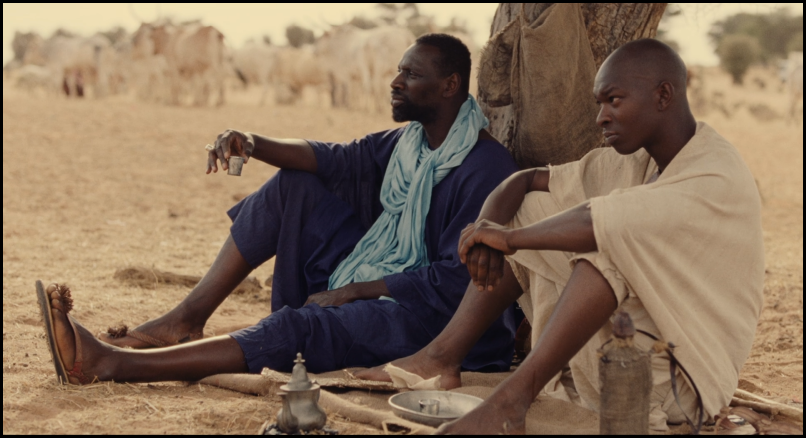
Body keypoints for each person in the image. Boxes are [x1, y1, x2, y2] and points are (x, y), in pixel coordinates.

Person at [36, 34, 520, 386]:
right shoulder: (409, 144)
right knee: (294, 186)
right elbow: (335, 158)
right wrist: (253, 142)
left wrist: (354, 291)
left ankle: (114, 365)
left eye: (411, 75)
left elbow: (456, 283)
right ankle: (185, 319)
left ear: (450, 85)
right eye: (399, 70)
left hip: (435, 323)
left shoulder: (485, 167)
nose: (395, 81)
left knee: (300, 328)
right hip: (382, 280)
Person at [356, 39, 765, 434]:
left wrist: (509, 240)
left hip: (677, 382)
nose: (601, 117)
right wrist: (488, 227)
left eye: (614, 100)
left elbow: (596, 222)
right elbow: (528, 180)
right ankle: (442, 358)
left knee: (606, 250)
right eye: (600, 104)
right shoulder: (642, 161)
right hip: (628, 352)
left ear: (663, 95)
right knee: (530, 209)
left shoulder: (712, 174)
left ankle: (510, 403)